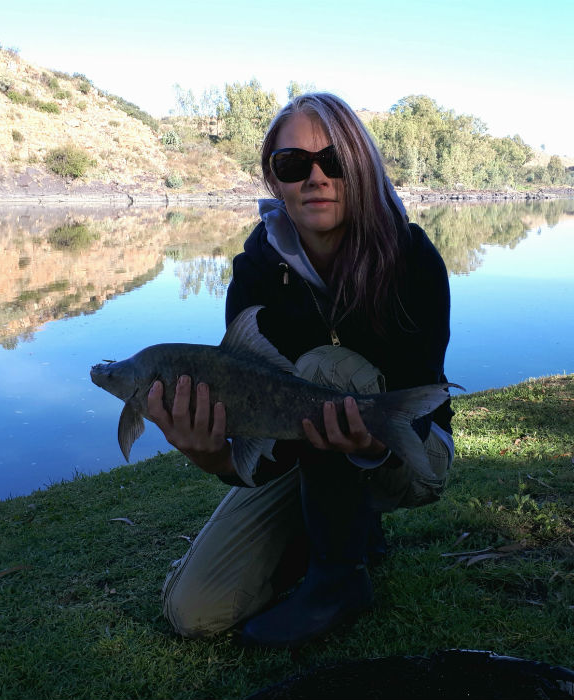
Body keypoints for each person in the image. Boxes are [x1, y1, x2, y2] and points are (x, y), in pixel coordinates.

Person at [148, 92, 453, 648]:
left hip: (410, 445)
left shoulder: (413, 259)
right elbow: (259, 437)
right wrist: (213, 454)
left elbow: (419, 387)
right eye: (293, 164)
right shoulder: (254, 273)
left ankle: (339, 581)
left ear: (360, 167)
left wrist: (370, 442)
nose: (316, 177)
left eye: (333, 161)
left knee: (321, 370)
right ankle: (334, 533)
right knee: (195, 611)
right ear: (275, 179)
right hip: (300, 450)